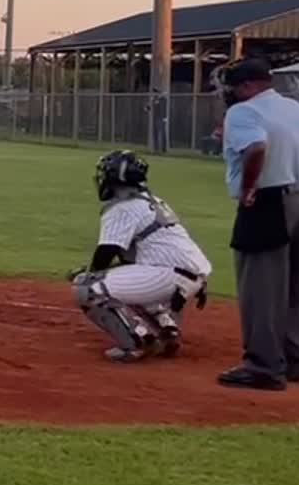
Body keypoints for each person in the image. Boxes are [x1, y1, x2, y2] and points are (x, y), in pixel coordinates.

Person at [70, 150, 212, 362]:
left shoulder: (123, 208)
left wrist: (89, 274)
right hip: (189, 274)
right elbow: (129, 260)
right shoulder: (151, 201)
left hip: (167, 274)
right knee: (128, 277)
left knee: (87, 288)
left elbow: (106, 252)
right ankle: (166, 330)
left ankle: (136, 342)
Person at [216, 58, 299, 390]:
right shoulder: (294, 108)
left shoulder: (243, 111)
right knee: (297, 285)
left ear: (248, 86)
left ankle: (264, 366)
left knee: (261, 287)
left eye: (235, 88)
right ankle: (296, 358)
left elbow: (256, 147)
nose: (232, 96)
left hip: (269, 200)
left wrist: (249, 186)